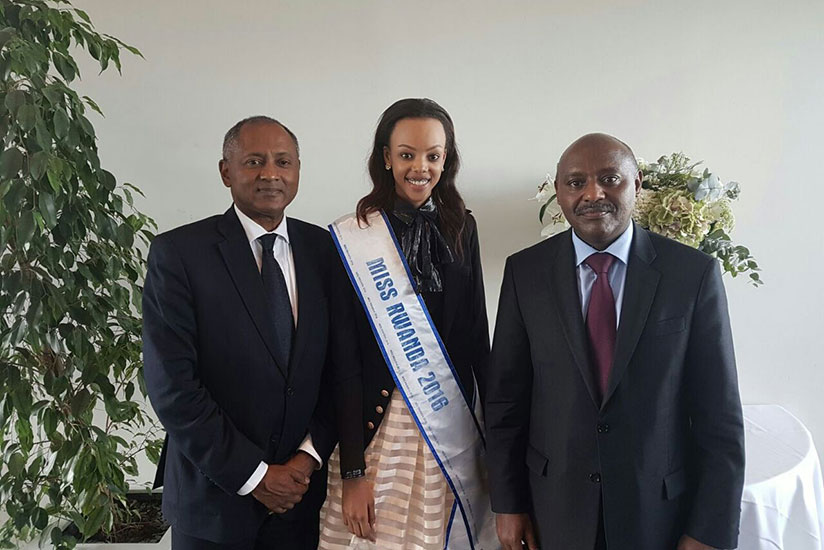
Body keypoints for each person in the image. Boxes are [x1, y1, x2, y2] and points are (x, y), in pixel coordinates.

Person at [485, 133, 745, 550]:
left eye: (610, 178)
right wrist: (508, 504)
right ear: (558, 192)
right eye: (575, 182)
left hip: (659, 513)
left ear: (637, 185)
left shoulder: (691, 275)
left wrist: (709, 531)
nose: (593, 193)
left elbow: (720, 417)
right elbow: (505, 402)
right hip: (554, 510)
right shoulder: (524, 274)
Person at [142, 116, 354, 550]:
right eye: (254, 161)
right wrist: (256, 476)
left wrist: (306, 459)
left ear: (298, 170)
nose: (270, 174)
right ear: (226, 171)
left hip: (301, 501)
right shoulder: (179, 254)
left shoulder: (327, 251)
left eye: (283, 161)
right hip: (213, 504)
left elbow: (340, 370)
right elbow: (173, 388)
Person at [318, 98, 494, 550]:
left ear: (446, 160)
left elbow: (476, 338)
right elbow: (344, 359)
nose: (420, 167)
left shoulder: (463, 227)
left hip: (450, 426)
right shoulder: (355, 234)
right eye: (407, 154)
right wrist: (353, 472)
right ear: (386, 157)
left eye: (433, 155)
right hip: (378, 436)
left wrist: (497, 446)